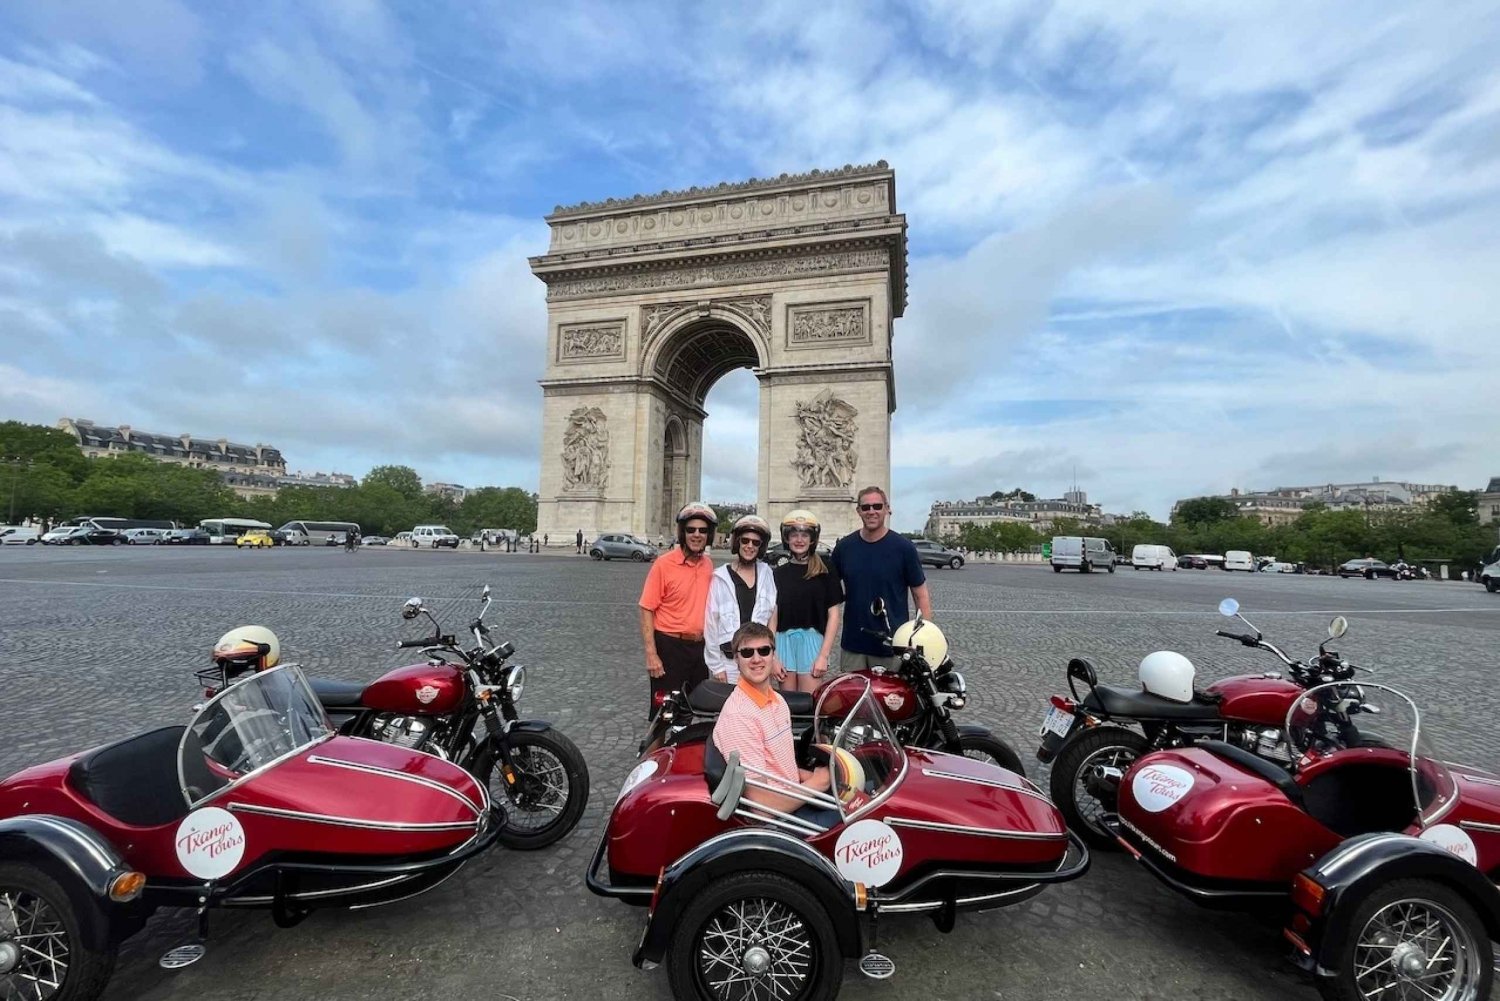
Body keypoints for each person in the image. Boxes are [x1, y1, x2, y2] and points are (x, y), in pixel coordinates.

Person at [711, 621, 831, 819]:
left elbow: (779, 768)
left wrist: (813, 777)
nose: (756, 659)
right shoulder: (740, 716)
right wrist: (818, 783)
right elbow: (762, 807)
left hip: (793, 799)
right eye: (747, 653)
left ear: (773, 655)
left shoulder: (778, 700)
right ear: (736, 659)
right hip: (779, 820)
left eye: (764, 650)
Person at [831, 486, 931, 671]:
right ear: (858, 511)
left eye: (877, 506)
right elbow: (829, 593)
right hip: (853, 645)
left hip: (894, 645)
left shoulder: (904, 548)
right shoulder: (844, 548)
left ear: (887, 508)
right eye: (866, 507)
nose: (871, 511)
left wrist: (923, 637)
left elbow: (920, 595)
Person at [638, 501, 717, 717]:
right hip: (669, 648)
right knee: (664, 714)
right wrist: (651, 654)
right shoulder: (663, 564)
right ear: (683, 532)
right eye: (691, 530)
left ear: (709, 535)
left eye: (703, 530)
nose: (697, 535)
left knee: (692, 711)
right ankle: (657, 742)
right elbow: (646, 608)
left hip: (699, 650)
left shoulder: (708, 565)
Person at [773, 509, 843, 694]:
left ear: (812, 539)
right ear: (786, 538)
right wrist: (773, 656)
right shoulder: (778, 573)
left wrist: (824, 655)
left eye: (804, 535)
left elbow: (834, 615)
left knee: (809, 701)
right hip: (783, 641)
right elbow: (773, 615)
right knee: (788, 702)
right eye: (794, 534)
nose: (799, 540)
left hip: (812, 641)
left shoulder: (825, 570)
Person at [705, 515, 778, 684]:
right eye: (745, 541)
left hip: (759, 660)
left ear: (761, 547)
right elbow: (711, 623)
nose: (750, 546)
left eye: (755, 542)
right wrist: (717, 666)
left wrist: (771, 653)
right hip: (729, 662)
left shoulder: (767, 573)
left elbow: (772, 613)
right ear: (737, 542)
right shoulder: (720, 577)